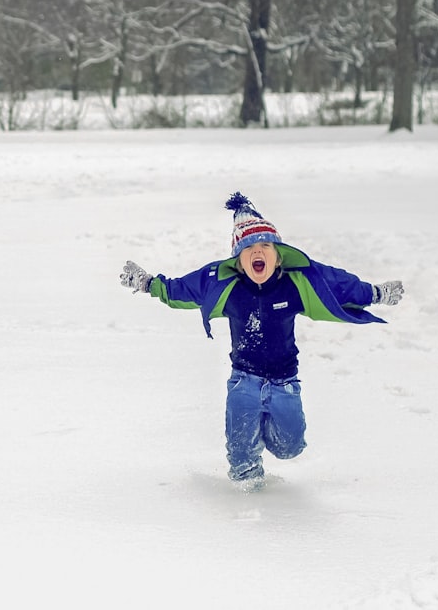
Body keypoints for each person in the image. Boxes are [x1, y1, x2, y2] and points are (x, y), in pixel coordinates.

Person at [119, 193, 404, 492]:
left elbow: (338, 284)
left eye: (266, 246)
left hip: (285, 383)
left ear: (278, 256)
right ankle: (250, 505)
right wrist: (148, 283)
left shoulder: (294, 286)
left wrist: (375, 293)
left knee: (290, 448)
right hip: (244, 381)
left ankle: (266, 428)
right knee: (242, 461)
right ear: (239, 261)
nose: (258, 252)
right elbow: (182, 289)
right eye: (250, 248)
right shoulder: (225, 286)